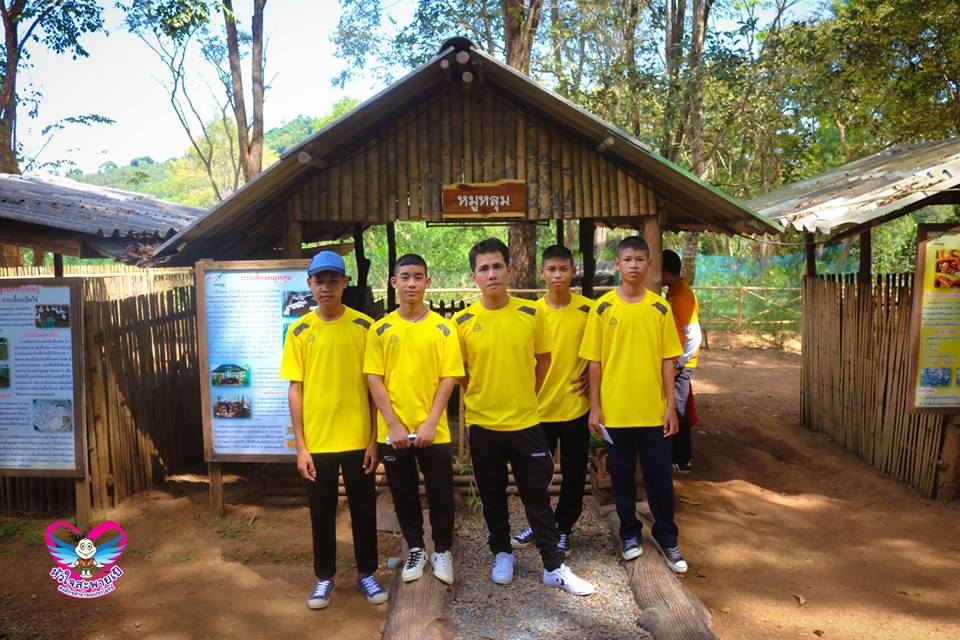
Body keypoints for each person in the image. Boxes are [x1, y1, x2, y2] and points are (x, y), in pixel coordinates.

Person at [453, 238, 595, 596]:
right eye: (484, 268)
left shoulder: (532, 314)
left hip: (526, 422)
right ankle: (502, 552)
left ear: (510, 270)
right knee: (492, 494)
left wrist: (524, 394)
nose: (491, 274)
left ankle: (553, 566)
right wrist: (483, 394)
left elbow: (543, 361)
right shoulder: (462, 321)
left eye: (497, 266)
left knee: (536, 495)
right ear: (473, 276)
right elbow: (461, 373)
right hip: (483, 424)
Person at [280, 251, 388, 610]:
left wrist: (373, 440)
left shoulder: (365, 328)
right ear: (309, 285)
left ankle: (367, 572)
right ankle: (324, 577)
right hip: (318, 441)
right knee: (321, 511)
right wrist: (301, 447)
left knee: (364, 510)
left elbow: (374, 387)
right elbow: (295, 389)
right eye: (319, 281)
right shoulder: (299, 331)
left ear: (345, 283)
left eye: (332, 281)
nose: (326, 287)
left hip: (358, 439)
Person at [579, 236, 689, 574]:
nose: (633, 265)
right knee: (622, 476)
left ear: (649, 264)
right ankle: (629, 533)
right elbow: (594, 362)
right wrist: (595, 406)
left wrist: (670, 406)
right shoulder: (602, 308)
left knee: (659, 477)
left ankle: (667, 538)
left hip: (653, 411)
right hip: (616, 411)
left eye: (640, 259)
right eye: (627, 259)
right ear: (617, 264)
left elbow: (668, 361)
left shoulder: (659, 308)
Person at [364, 253, 462, 586]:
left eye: (418, 277)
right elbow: (374, 378)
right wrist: (392, 424)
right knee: (403, 492)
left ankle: (443, 550)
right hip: (394, 431)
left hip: (434, 429)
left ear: (427, 282)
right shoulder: (380, 329)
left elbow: (449, 377)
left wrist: (432, 422)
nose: (411, 283)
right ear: (393, 282)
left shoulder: (444, 328)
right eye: (404, 277)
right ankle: (416, 548)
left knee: (441, 492)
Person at [511, 245, 592, 558]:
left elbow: (602, 353)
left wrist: (592, 376)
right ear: (542, 273)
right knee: (534, 475)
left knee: (574, 473)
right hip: (538, 409)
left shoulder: (589, 311)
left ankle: (564, 529)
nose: (558, 275)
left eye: (563, 269)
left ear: (573, 271)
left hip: (575, 406)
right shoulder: (531, 313)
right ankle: (539, 524)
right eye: (552, 270)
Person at [662, 249, 702, 473]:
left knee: (679, 410)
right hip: (676, 362)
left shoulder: (683, 295)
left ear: (664, 271)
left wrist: (680, 364)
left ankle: (682, 459)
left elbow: (694, 335)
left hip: (680, 365)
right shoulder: (674, 292)